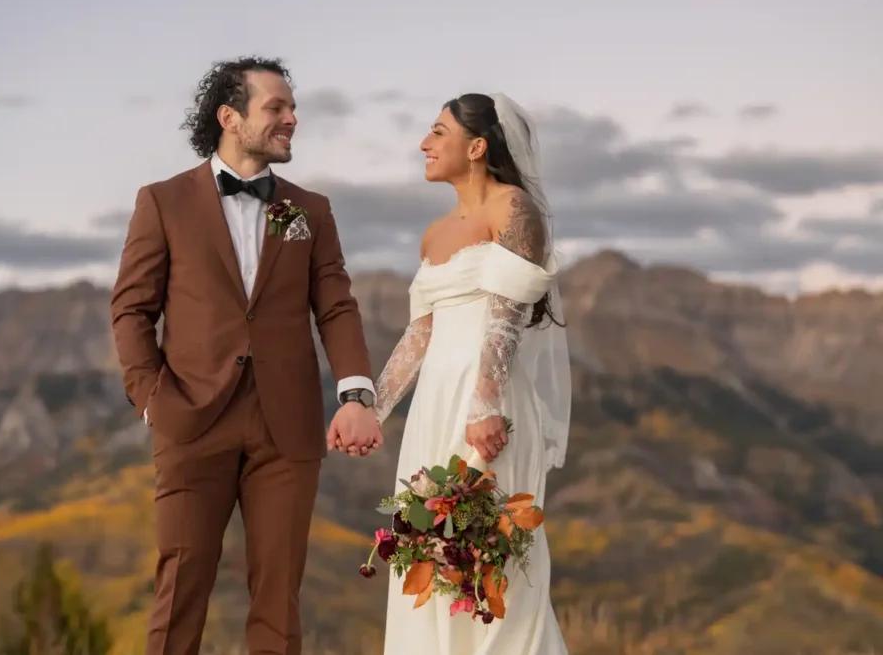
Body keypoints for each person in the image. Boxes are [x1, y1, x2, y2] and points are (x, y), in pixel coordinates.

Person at [109, 55, 383, 655]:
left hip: (286, 426)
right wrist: (154, 401)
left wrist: (357, 395)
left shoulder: (310, 210)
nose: (292, 119)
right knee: (180, 591)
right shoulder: (162, 202)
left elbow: (336, 306)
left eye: (292, 108)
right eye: (276, 108)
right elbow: (131, 311)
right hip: (190, 419)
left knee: (278, 600)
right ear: (230, 117)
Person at [372, 93, 572, 655]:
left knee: (491, 562)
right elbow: (419, 334)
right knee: (428, 556)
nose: (424, 144)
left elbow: (507, 315)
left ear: (477, 146)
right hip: (435, 405)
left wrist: (485, 403)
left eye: (438, 132)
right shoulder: (434, 235)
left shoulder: (514, 211)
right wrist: (373, 408)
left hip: (490, 402)